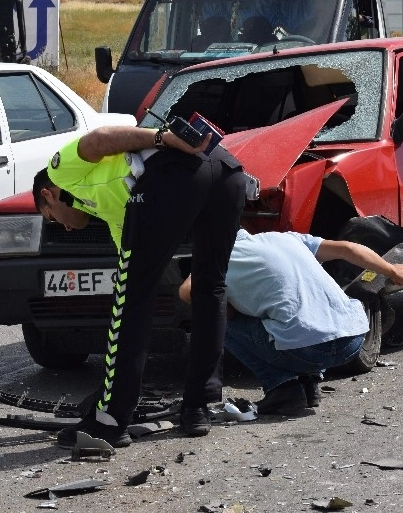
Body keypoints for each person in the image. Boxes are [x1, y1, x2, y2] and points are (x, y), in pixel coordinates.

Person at [33, 124, 246, 448]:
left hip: (177, 170)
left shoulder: (59, 172)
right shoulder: (114, 209)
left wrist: (162, 137)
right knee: (210, 287)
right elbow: (130, 260)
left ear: (48, 195)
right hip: (227, 174)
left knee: (132, 302)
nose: (62, 225)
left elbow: (99, 139)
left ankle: (110, 419)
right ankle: (196, 408)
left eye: (50, 217)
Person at [179, 229, 403, 415]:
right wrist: (392, 270)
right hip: (354, 339)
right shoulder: (286, 238)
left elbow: (186, 292)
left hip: (306, 350)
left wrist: (228, 307)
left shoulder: (219, 259)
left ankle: (282, 387)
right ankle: (310, 382)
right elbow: (347, 248)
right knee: (293, 310)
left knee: (218, 322)